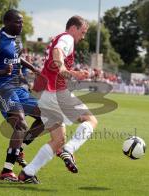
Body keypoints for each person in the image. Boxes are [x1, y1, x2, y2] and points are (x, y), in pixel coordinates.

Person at [18, 15, 98, 182]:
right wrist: (62, 66)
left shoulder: (59, 38)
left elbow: (57, 56)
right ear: (73, 28)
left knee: (57, 140)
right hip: (56, 93)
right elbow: (58, 52)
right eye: (82, 32)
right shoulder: (67, 38)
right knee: (91, 120)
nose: (82, 37)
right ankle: (69, 150)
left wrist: (72, 72)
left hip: (45, 96)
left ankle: (27, 173)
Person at [0, 9, 43, 183]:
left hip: (18, 88)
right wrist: (2, 71)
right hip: (1, 88)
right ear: (7, 22)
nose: (21, 25)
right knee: (20, 124)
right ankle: (6, 172)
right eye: (18, 22)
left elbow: (17, 57)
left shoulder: (17, 40)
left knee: (46, 116)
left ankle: (19, 150)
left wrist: (32, 68)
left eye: (22, 22)